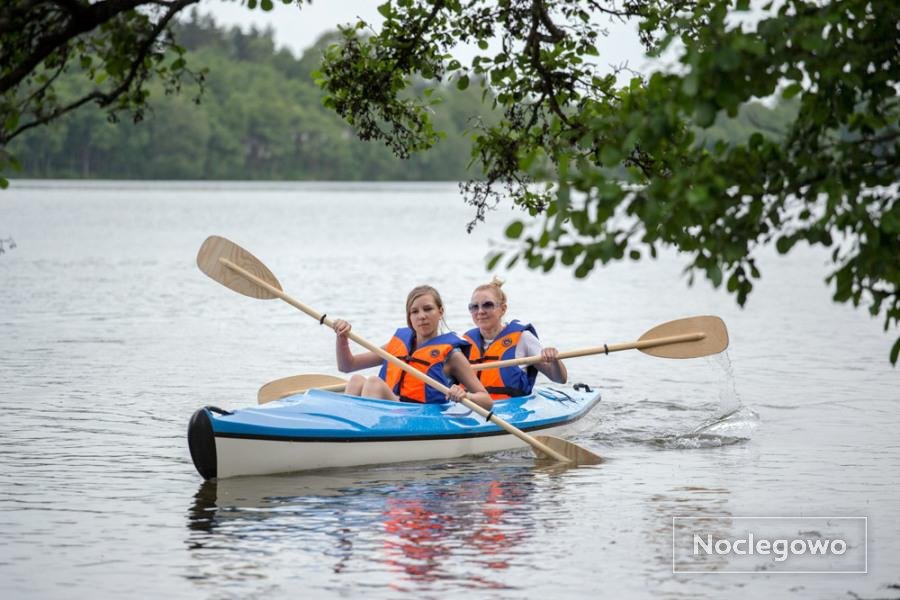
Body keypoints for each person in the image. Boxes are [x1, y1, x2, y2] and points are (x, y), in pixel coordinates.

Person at [332, 285, 494, 410]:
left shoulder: (452, 356)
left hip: (420, 416)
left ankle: (360, 441)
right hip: (394, 410)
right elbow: (347, 366)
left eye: (428, 309)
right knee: (356, 380)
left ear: (441, 311)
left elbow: (486, 401)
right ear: (409, 317)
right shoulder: (396, 346)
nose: (421, 316)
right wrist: (342, 337)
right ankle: (345, 432)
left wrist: (465, 395)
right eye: (414, 311)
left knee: (374, 383)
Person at [463, 277, 567, 399]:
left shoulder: (523, 338)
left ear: (503, 309)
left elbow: (560, 379)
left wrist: (554, 360)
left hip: (512, 410)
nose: (480, 311)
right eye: (474, 307)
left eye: (488, 305)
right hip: (472, 407)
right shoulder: (465, 343)